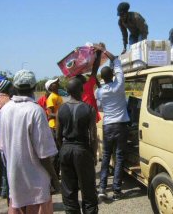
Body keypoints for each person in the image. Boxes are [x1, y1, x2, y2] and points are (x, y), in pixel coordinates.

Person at [0, 70, 60, 213]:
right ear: (33, 87)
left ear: (15, 86)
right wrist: (55, 180)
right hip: (36, 182)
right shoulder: (35, 111)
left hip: (15, 179)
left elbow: (2, 148)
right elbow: (44, 154)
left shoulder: (5, 110)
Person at [57, 76, 98, 214]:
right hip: (82, 150)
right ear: (81, 90)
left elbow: (58, 135)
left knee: (69, 192)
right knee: (88, 191)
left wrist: (62, 151)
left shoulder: (61, 109)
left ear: (67, 91)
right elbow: (93, 137)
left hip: (66, 149)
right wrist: (93, 153)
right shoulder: (89, 109)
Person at [96, 46, 130, 200]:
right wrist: (104, 50)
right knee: (120, 157)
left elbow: (100, 106)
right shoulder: (119, 85)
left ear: (103, 78)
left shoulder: (99, 92)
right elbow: (116, 61)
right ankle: (117, 191)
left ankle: (102, 188)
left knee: (106, 156)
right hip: (121, 125)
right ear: (113, 75)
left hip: (108, 126)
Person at [76, 44, 103, 123]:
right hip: (90, 115)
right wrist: (99, 53)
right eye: (82, 77)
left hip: (81, 116)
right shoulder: (87, 86)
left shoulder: (77, 90)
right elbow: (95, 69)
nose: (84, 77)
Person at [46, 77, 63, 177]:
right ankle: (54, 176)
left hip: (59, 126)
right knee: (55, 152)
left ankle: (57, 174)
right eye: (55, 83)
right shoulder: (51, 97)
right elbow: (50, 114)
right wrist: (61, 115)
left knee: (60, 151)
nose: (57, 83)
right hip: (54, 127)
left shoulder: (58, 96)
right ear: (51, 87)